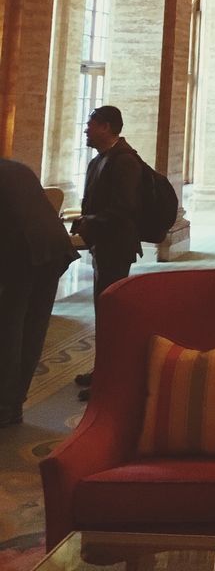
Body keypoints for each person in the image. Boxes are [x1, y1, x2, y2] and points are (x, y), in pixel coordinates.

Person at [71, 105, 143, 399]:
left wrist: (90, 221)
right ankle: (104, 369)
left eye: (91, 124)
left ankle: (111, 376)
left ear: (106, 126)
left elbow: (123, 207)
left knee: (111, 312)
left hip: (116, 245)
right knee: (104, 310)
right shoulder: (102, 159)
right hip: (103, 243)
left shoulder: (124, 161)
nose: (86, 129)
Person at [0, 160, 79, 427]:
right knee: (34, 326)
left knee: (9, 327)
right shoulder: (19, 168)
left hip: (23, 253)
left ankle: (5, 405)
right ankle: (14, 402)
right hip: (53, 249)